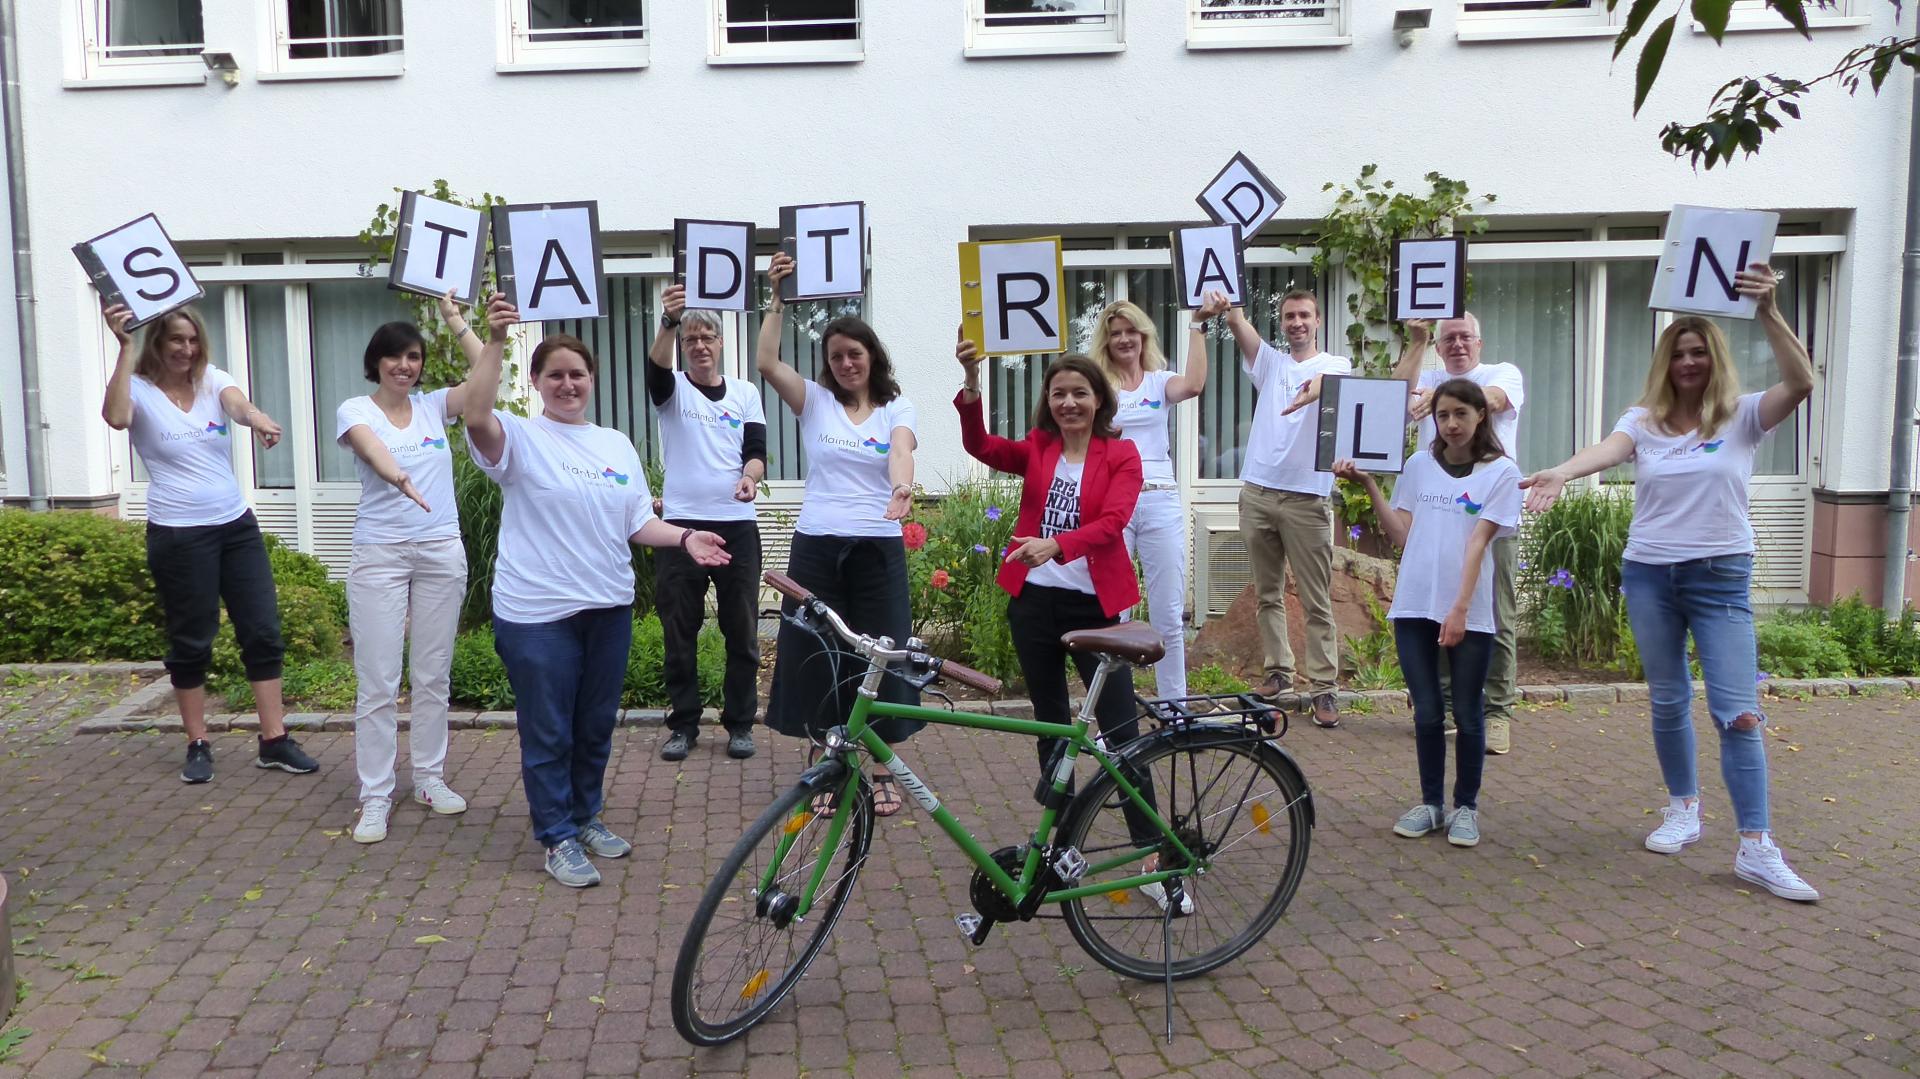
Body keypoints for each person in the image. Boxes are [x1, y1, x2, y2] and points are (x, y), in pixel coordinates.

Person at [1521, 264, 1819, 902]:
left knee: (1738, 713)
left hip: (1720, 577)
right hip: (1651, 575)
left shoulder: (1742, 416)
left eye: (1699, 351)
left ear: (1714, 358)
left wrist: (1768, 311)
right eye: (1679, 352)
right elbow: (1604, 449)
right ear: (1666, 362)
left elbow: (1802, 381)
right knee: (1666, 699)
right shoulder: (1644, 421)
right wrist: (1560, 472)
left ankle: (1756, 847)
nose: (1689, 361)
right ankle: (1683, 808)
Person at [464, 326, 732, 888]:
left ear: (592, 380)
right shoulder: (516, 436)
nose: (567, 383)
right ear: (536, 382)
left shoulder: (615, 444)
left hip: (607, 608)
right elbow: (476, 414)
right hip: (537, 614)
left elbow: (637, 522)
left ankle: (584, 817)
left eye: (577, 374)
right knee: (549, 730)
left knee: (593, 727)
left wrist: (686, 538)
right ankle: (556, 834)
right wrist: (491, 342)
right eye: (555, 374)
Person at [954, 342, 1185, 912]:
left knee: (1123, 735)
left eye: (1079, 392)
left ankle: (1155, 856)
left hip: (1097, 614)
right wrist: (971, 378)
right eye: (1058, 393)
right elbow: (980, 445)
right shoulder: (1038, 447)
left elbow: (1114, 523)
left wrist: (1055, 545)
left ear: (1099, 398)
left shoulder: (1123, 453)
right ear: (1048, 402)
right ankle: (1059, 846)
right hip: (1034, 606)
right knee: (1053, 728)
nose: (1068, 402)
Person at [101, 303, 319, 784]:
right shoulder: (136, 388)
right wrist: (124, 345)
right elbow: (116, 418)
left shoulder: (211, 380)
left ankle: (274, 740)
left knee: (262, 631)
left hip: (235, 527)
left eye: (193, 340)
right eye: (176, 339)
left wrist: (257, 418)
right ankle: (197, 742)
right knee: (192, 640)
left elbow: (237, 403)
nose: (186, 349)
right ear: (157, 341)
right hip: (179, 534)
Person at [335, 292, 510, 844]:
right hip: (380, 553)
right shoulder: (356, 410)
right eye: (394, 357)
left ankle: (429, 778)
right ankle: (375, 796)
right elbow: (370, 449)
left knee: (433, 675)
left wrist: (464, 323)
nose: (404, 366)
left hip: (439, 548)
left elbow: (487, 381)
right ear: (377, 362)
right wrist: (399, 478)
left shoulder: (436, 405)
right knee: (379, 681)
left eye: (413, 356)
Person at [757, 252, 920, 818]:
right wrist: (777, 296)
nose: (847, 363)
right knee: (817, 650)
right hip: (818, 544)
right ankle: (827, 763)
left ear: (873, 356)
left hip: (877, 545)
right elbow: (765, 360)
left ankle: (878, 768)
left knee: (882, 651)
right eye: (836, 356)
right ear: (827, 364)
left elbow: (900, 450)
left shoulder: (898, 405)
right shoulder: (814, 401)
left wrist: (901, 489)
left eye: (855, 353)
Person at [1336, 379, 1520, 848]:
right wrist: (1370, 485)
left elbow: (1478, 543)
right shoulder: (1418, 466)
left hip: (1468, 612)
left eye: (1461, 413)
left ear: (1482, 415)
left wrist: (1458, 609)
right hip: (1414, 606)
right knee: (1427, 713)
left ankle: (1466, 808)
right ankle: (1432, 804)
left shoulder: (1501, 473)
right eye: (1443, 415)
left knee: (1470, 714)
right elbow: (1402, 534)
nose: (1452, 424)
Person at [1392, 313, 1527, 755]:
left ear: (1479, 341)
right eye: (1447, 339)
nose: (1457, 345)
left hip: (1490, 517)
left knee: (1493, 615)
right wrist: (1416, 341)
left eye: (1464, 337)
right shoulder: (1425, 374)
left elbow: (1494, 398)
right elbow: (1392, 401)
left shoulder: (1500, 373)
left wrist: (1438, 399)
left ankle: (1498, 713)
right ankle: (1447, 708)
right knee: (1436, 611)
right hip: (1434, 518)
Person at [647, 285, 768, 763]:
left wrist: (748, 478)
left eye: (708, 337)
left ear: (721, 343)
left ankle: (739, 723)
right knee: (680, 630)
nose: (700, 345)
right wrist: (668, 321)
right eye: (691, 338)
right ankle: (683, 725)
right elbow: (655, 371)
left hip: (736, 525)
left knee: (741, 630)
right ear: (683, 344)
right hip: (680, 529)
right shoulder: (672, 389)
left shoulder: (745, 392)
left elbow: (756, 452)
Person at [1225, 291, 1351, 727]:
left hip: (1307, 498)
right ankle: (1278, 674)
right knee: (1267, 594)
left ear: (1318, 321)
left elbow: (1326, 388)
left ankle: (1324, 689)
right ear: (1281, 322)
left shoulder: (1335, 365)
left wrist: (1307, 394)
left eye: (1304, 315)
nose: (1297, 322)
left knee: (1317, 601)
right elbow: (1239, 324)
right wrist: (1230, 295)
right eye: (1289, 316)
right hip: (1258, 492)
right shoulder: (1271, 363)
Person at [1089, 296, 1215, 704]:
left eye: (1131, 332)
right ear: (1106, 343)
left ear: (1143, 337)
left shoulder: (1160, 382)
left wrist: (1197, 325)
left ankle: (1174, 709)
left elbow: (1194, 384)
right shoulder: (1099, 388)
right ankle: (1114, 717)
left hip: (1160, 499)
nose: (1124, 340)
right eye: (1115, 334)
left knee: (1168, 615)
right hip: (1114, 506)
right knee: (1115, 617)